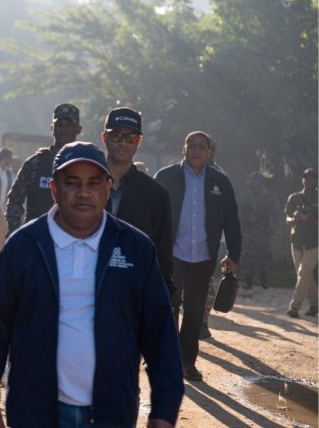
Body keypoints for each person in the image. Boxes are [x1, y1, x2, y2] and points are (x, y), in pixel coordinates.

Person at [0, 142, 183, 428]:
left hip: (111, 410)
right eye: (72, 183)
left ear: (108, 189)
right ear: (55, 189)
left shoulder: (135, 247)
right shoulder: (24, 247)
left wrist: (164, 410)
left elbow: (160, 332)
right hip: (36, 410)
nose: (84, 192)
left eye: (94, 183)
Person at [155, 131, 241, 382]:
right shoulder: (166, 177)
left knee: (194, 313)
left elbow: (231, 220)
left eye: (201, 147)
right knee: (168, 307)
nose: (196, 150)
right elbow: (153, 215)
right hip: (172, 256)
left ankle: (187, 362)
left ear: (209, 152)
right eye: (191, 145)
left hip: (204, 257)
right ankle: (167, 360)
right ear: (184, 149)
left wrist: (233, 253)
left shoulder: (220, 182)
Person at [100, 108, 175, 295]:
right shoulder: (85, 184)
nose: (123, 143)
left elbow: (162, 252)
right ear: (105, 138)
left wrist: (162, 294)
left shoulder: (155, 194)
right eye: (117, 136)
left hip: (134, 291)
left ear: (139, 142)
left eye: (131, 137)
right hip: (88, 287)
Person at [5, 103, 82, 233]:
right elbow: (14, 200)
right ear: (52, 128)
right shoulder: (35, 163)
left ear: (78, 129)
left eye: (69, 126)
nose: (64, 129)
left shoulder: (86, 164)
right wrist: (15, 234)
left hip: (74, 240)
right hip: (37, 239)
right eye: (59, 125)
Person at [285, 167, 318, 317]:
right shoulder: (294, 197)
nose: (308, 180)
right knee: (306, 275)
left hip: (314, 242)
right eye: (306, 177)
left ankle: (294, 308)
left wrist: (311, 220)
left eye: (312, 177)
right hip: (296, 241)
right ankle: (315, 304)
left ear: (316, 180)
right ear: (302, 179)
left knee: (303, 273)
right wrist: (294, 218)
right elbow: (287, 218)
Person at [240, 172, 277, 290]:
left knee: (263, 256)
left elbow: (276, 213)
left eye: (253, 180)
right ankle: (248, 282)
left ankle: (264, 281)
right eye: (249, 180)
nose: (250, 182)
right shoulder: (245, 195)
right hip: (248, 231)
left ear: (259, 182)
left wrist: (273, 228)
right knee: (247, 256)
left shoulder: (269, 196)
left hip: (263, 231)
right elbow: (238, 211)